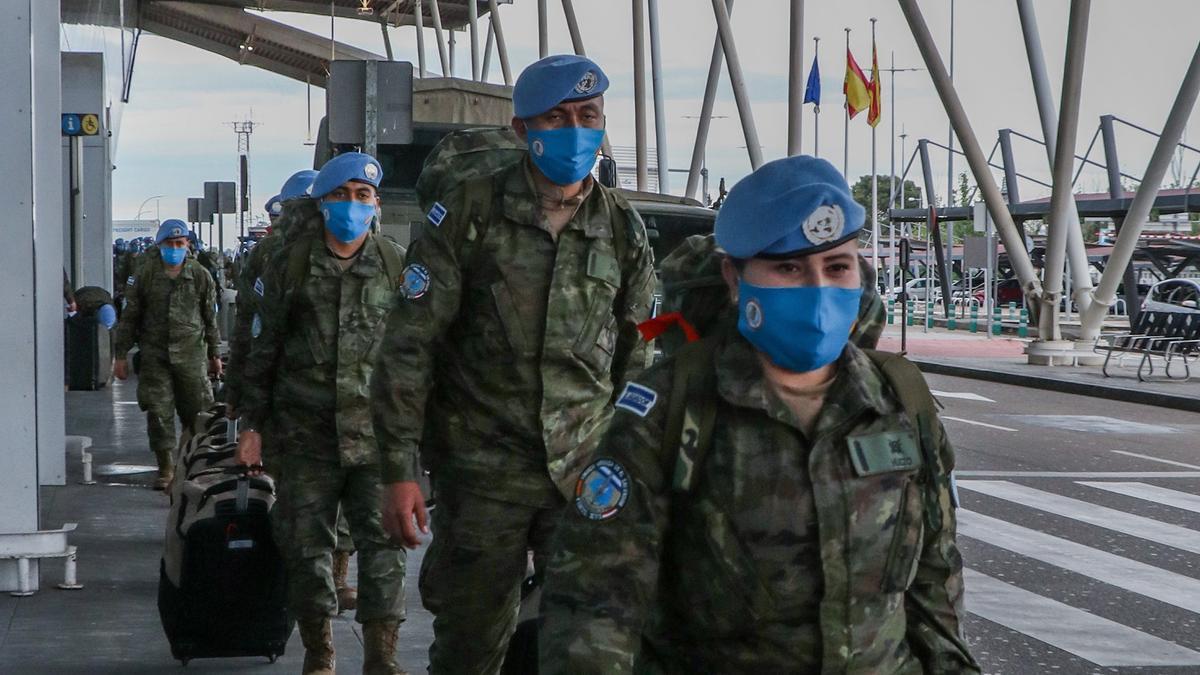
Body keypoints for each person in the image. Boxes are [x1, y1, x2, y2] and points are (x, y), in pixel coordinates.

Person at [538, 155, 980, 674]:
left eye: (836, 268)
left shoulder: (900, 399)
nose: (818, 289)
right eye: (789, 268)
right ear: (735, 278)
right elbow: (596, 600)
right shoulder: (669, 409)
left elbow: (934, 578)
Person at [371, 54, 656, 674]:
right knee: (470, 650)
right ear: (523, 131)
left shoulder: (623, 229)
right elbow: (409, 346)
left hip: (585, 478)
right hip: (482, 478)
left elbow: (641, 355)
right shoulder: (468, 213)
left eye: (588, 116)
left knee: (593, 650)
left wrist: (637, 465)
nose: (576, 130)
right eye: (557, 118)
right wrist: (398, 472)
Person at [235, 153, 409, 675]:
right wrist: (251, 427)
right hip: (304, 437)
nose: (352, 205)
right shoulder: (288, 263)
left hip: (375, 439)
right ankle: (319, 653)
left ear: (375, 203)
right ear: (322, 203)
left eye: (363, 195)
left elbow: (416, 352)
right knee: (306, 552)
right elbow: (261, 351)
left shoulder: (395, 263)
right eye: (341, 195)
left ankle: (382, 659)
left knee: (385, 554)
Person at [226, 171, 360, 614]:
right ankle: (309, 583)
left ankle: (337, 577)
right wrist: (246, 406)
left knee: (344, 505)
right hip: (295, 404)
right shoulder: (273, 258)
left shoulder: (372, 255)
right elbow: (251, 329)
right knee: (303, 508)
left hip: (354, 407)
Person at [112, 219, 222, 490]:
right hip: (155, 355)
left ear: (187, 245)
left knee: (198, 414)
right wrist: (121, 355)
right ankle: (166, 469)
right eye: (170, 244)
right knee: (159, 412)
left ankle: (192, 465)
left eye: (180, 244)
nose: (175, 249)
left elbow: (210, 318)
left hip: (192, 355)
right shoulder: (145, 274)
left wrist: (214, 354)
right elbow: (130, 316)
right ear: (160, 246)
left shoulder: (199, 275)